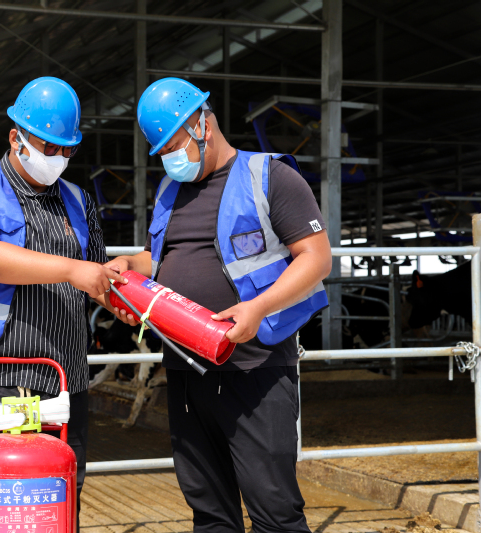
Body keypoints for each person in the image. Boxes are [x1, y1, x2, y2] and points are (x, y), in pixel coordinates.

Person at [102, 78, 332, 533]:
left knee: (275, 512)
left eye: (174, 145)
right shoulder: (169, 190)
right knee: (209, 513)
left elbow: (316, 256)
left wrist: (258, 308)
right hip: (186, 372)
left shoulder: (270, 177)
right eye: (162, 151)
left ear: (203, 125)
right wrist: (129, 265)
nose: (170, 158)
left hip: (256, 369)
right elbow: (161, 258)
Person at [0, 77, 124, 533]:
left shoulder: (79, 201)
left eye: (68, 149)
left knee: (58, 493)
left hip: (64, 379)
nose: (58, 157)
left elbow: (95, 278)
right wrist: (72, 269)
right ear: (15, 138)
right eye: (48, 146)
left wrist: (128, 290)